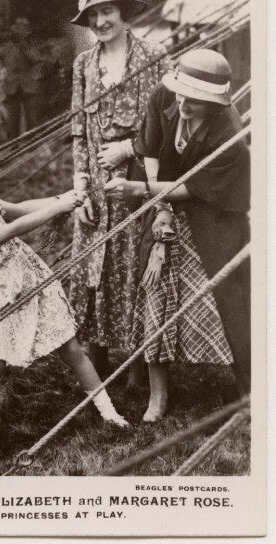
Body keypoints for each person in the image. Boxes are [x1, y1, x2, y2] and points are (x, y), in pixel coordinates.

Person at [0, 165, 128, 445]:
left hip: (29, 281)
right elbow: (14, 229)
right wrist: (58, 208)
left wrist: (58, 199)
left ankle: (108, 411)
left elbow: (18, 209)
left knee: (70, 346)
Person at [103, 49, 250, 421]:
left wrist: (144, 193)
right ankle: (157, 394)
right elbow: (150, 151)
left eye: (195, 99)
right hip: (164, 200)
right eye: (181, 92)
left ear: (214, 104)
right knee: (155, 288)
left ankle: (249, 387)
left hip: (214, 215)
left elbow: (199, 188)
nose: (183, 102)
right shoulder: (163, 96)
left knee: (229, 295)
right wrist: (161, 207)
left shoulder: (229, 132)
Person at [69, 0, 171, 384]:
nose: (100, 21)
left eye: (107, 11)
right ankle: (97, 358)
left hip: (140, 175)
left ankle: (141, 367)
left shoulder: (154, 55)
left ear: (125, 13)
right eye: (93, 15)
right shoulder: (83, 64)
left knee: (137, 264)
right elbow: (78, 126)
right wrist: (80, 182)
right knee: (95, 266)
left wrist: (129, 148)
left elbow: (167, 119)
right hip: (96, 180)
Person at [0, 16, 44, 138]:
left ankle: (33, 141)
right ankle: (14, 143)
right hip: (11, 85)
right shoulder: (7, 47)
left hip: (27, 85)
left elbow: (37, 60)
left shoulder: (29, 46)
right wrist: (1, 73)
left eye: (23, 30)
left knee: (31, 116)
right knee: (13, 117)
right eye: (17, 30)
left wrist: (24, 47)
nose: (19, 34)